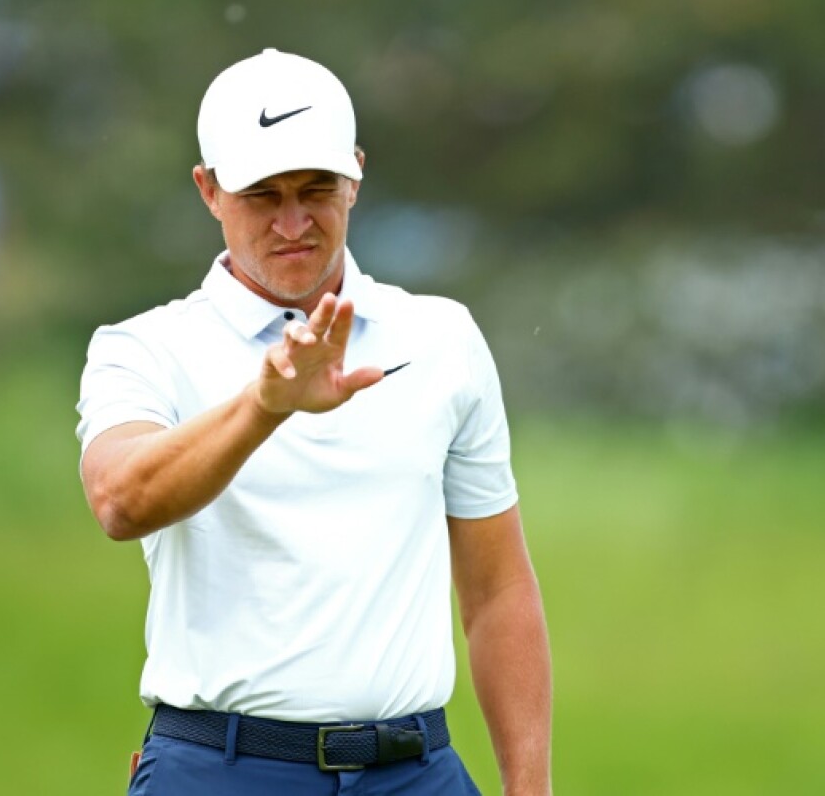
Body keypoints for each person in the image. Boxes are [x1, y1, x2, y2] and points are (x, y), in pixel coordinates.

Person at [76, 48, 552, 796]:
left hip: (417, 774)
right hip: (219, 771)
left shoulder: (443, 338)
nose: (293, 222)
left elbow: (497, 592)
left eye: (316, 189)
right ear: (208, 190)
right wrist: (265, 405)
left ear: (355, 178)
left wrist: (530, 789)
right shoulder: (144, 347)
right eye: (262, 194)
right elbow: (120, 501)